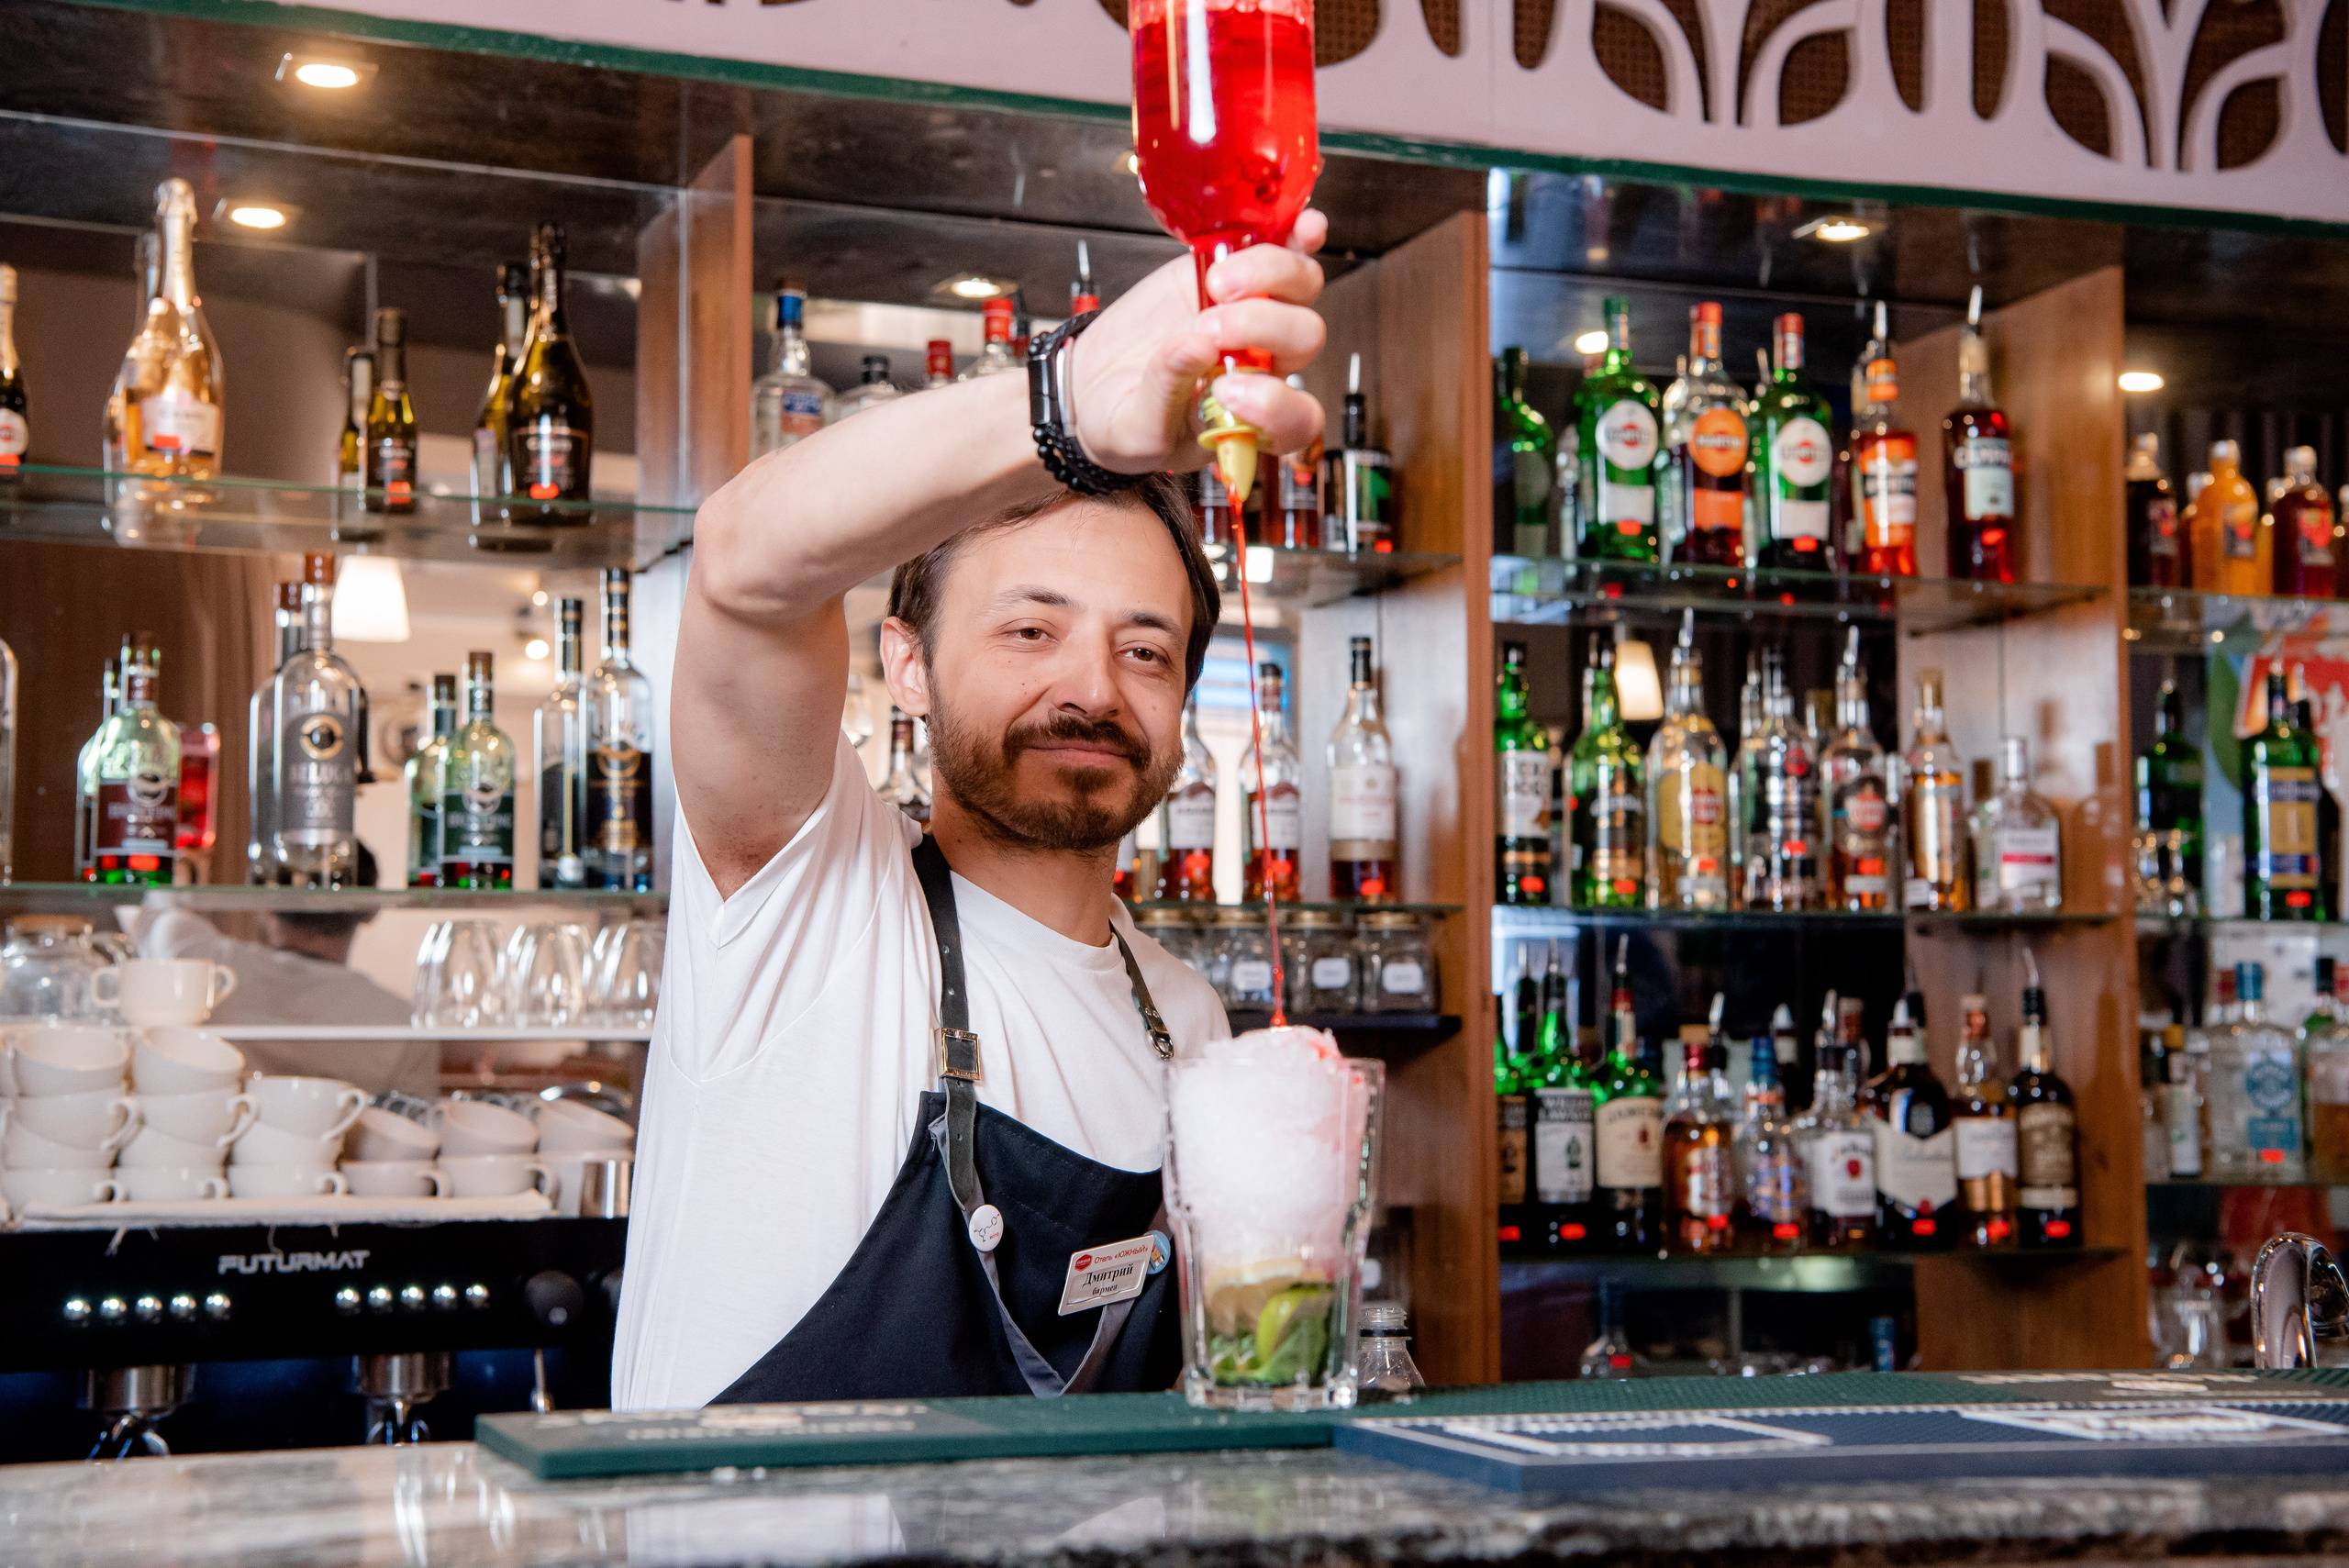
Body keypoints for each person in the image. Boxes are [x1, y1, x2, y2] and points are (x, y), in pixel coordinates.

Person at [611, 215, 1331, 1409]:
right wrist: (1063, 400)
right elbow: (739, 562)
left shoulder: (1187, 1021)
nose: (1092, 690)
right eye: (1030, 630)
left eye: (1144, 650)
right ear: (906, 664)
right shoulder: (806, 891)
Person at [131, 846, 429, 1096]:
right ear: (371, 909)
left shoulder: (203, 962)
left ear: (265, 905)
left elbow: (155, 913)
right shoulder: (403, 1023)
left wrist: (186, 863)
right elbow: (415, 1128)